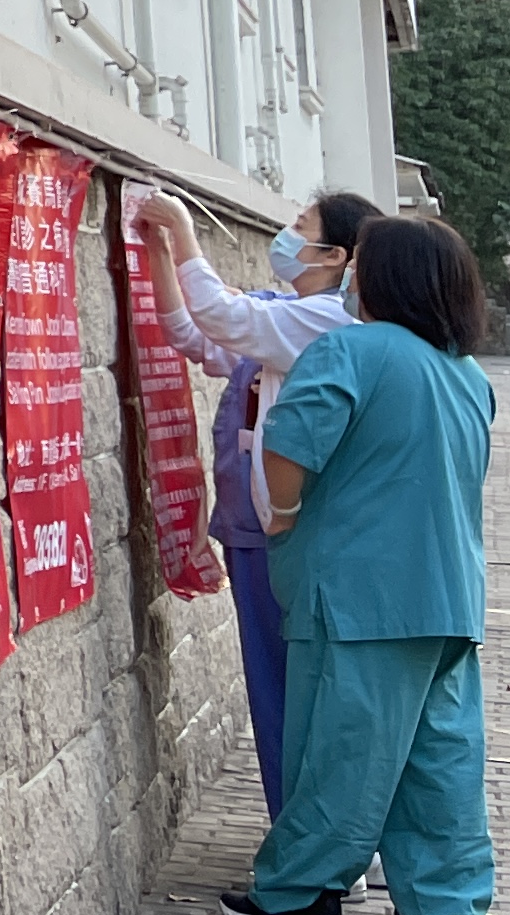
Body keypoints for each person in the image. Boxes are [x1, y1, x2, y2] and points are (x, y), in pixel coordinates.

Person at [217, 213, 495, 915]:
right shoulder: (467, 376)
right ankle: (447, 914)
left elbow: (288, 445)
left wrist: (285, 516)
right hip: (448, 598)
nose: (350, 277)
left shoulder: (351, 350)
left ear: (385, 277)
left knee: (340, 749)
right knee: (440, 759)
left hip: (359, 594)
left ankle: (302, 897)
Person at [132, 187, 378, 816]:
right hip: (255, 526)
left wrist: (183, 228)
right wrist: (159, 251)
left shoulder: (327, 322)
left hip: (298, 530)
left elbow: (223, 317)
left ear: (335, 255)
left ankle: (315, 833)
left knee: (302, 687)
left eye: (301, 226)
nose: (286, 234)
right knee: (273, 684)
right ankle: (296, 827)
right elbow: (195, 332)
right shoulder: (281, 312)